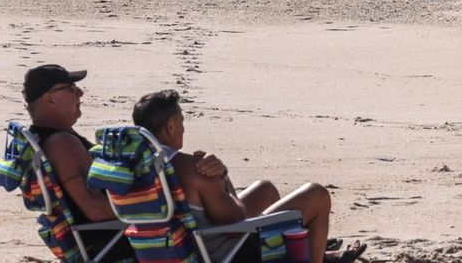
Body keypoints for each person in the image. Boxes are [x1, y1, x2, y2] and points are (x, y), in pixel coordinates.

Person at [133, 91, 366, 263]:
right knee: (317, 195)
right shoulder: (192, 169)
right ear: (171, 126)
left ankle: (317, 252)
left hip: (176, 245)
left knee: (265, 190)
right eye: (182, 122)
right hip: (225, 253)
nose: (184, 128)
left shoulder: (133, 169)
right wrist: (221, 178)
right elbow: (234, 222)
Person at [23, 65, 137, 261]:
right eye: (70, 88)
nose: (80, 93)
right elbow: (95, 210)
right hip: (115, 242)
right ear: (49, 98)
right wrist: (149, 205)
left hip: (109, 236)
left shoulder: (53, 137)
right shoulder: (62, 144)